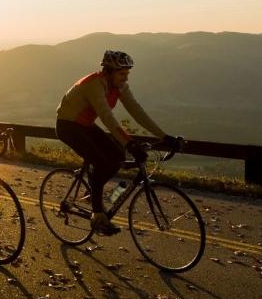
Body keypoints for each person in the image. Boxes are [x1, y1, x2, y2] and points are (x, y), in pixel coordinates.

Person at [55, 50, 182, 235]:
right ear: (109, 72)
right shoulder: (93, 84)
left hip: (86, 125)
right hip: (68, 126)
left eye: (127, 73)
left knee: (117, 156)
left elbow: (137, 111)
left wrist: (164, 136)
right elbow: (107, 117)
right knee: (101, 163)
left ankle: (93, 190)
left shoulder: (119, 86)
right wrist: (129, 143)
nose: (126, 77)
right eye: (122, 74)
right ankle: (98, 217)